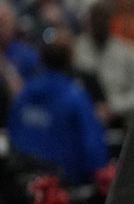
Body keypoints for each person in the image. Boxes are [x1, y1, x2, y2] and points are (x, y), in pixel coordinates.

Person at [7, 36, 108, 185]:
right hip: (65, 186)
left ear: (41, 60)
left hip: (27, 182)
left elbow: (12, 131)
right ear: (70, 60)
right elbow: (92, 144)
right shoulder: (74, 95)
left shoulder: (24, 93)